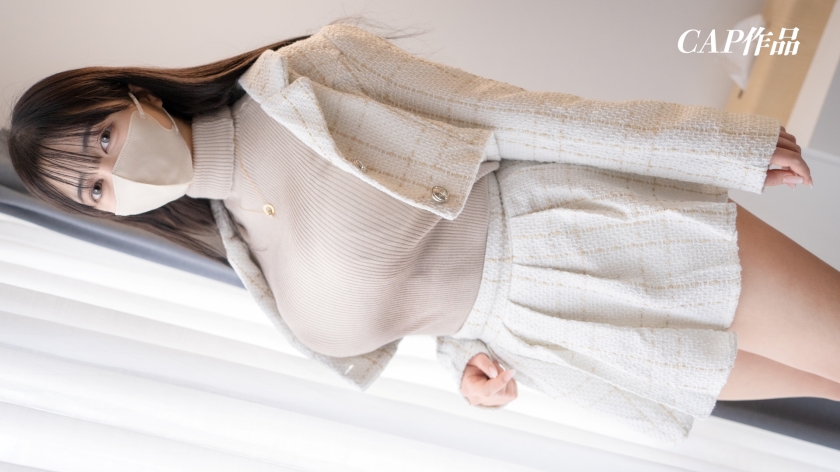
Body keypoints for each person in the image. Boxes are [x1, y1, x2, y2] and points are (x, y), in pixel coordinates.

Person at [7, 21, 839, 445]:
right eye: (94, 187)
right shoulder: (244, 255)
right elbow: (415, 290)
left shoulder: (302, 78)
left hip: (580, 238)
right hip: (557, 343)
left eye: (102, 138)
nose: (115, 173)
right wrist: (465, 364)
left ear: (135, 95)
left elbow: (509, 117)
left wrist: (713, 145)